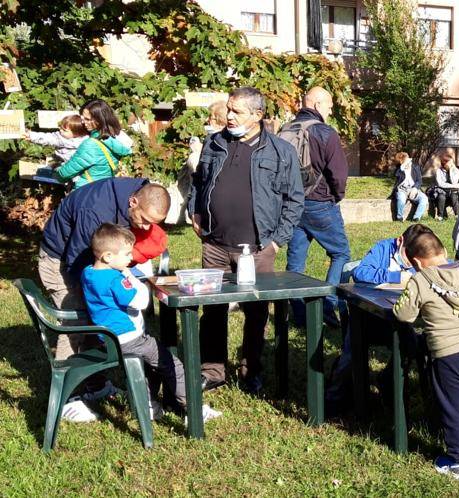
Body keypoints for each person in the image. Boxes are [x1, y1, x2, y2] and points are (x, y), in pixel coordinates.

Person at [189, 86, 304, 394]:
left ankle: (250, 369)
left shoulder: (281, 151)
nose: (228, 115)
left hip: (257, 248)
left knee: (256, 313)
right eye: (228, 109)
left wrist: (277, 241)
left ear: (258, 115)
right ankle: (212, 371)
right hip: (214, 243)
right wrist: (194, 212)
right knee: (211, 311)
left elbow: (294, 200)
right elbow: (198, 183)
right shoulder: (214, 143)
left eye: (236, 111)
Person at [38, 177, 170, 421]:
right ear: (133, 202)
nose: (143, 228)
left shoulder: (140, 195)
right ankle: (64, 398)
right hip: (62, 260)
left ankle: (95, 387)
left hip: (94, 262)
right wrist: (101, 298)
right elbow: (77, 262)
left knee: (96, 319)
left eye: (152, 224)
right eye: (143, 221)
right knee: (76, 325)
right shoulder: (95, 211)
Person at [80, 224, 221, 422]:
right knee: (172, 364)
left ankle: (148, 405)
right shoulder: (115, 279)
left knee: (151, 365)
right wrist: (130, 276)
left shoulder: (88, 273)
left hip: (108, 339)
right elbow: (141, 301)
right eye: (127, 254)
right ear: (108, 256)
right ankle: (194, 409)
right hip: (129, 338)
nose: (131, 258)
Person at [392, 231, 459, 480]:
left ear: (416, 262)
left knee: (454, 406)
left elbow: (403, 315)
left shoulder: (421, 280)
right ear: (444, 252)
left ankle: (457, 460)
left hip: (449, 354)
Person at [324, 223, 433, 414]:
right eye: (409, 257)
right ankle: (333, 399)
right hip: (369, 319)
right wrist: (395, 276)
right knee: (350, 355)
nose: (412, 264)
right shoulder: (383, 249)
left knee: (411, 345)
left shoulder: (423, 255)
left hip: (402, 319)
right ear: (400, 241)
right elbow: (360, 272)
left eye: (416, 261)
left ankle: (390, 385)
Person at [282, 87, 352, 329]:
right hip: (320, 203)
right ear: (319, 104)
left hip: (291, 205)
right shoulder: (325, 132)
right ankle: (328, 303)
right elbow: (339, 174)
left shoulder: (285, 129)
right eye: (330, 106)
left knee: (295, 262)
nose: (331, 111)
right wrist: (336, 196)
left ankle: (300, 315)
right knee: (341, 254)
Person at [54, 100, 133, 190]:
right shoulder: (116, 137)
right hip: (106, 190)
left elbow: (64, 174)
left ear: (99, 120)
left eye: (87, 119)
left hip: (86, 192)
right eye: (82, 118)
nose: (83, 122)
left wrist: (56, 169)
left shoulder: (90, 145)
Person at [176, 101, 228, 223]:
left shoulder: (223, 138)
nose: (207, 120)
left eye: (210, 117)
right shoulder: (209, 136)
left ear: (217, 118)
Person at [23, 114, 89, 164]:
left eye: (64, 130)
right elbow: (48, 138)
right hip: (60, 163)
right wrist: (31, 135)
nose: (60, 130)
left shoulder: (87, 142)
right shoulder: (60, 137)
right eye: (61, 127)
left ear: (76, 134)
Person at [390, 152, 427, 221]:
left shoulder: (415, 167)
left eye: (408, 160)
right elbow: (396, 175)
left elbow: (419, 181)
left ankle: (416, 217)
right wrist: (402, 168)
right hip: (402, 189)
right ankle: (399, 217)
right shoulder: (399, 169)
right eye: (405, 162)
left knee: (424, 198)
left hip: (413, 189)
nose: (408, 163)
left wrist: (415, 188)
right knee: (401, 199)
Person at [434, 152, 459, 220]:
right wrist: (453, 186)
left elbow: (454, 182)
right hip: (442, 191)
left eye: (452, 162)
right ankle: (440, 216)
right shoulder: (439, 171)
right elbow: (440, 184)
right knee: (441, 197)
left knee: (454, 196)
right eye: (450, 162)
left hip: (452, 191)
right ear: (445, 163)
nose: (452, 164)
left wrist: (451, 171)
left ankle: (457, 215)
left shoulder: (456, 170)